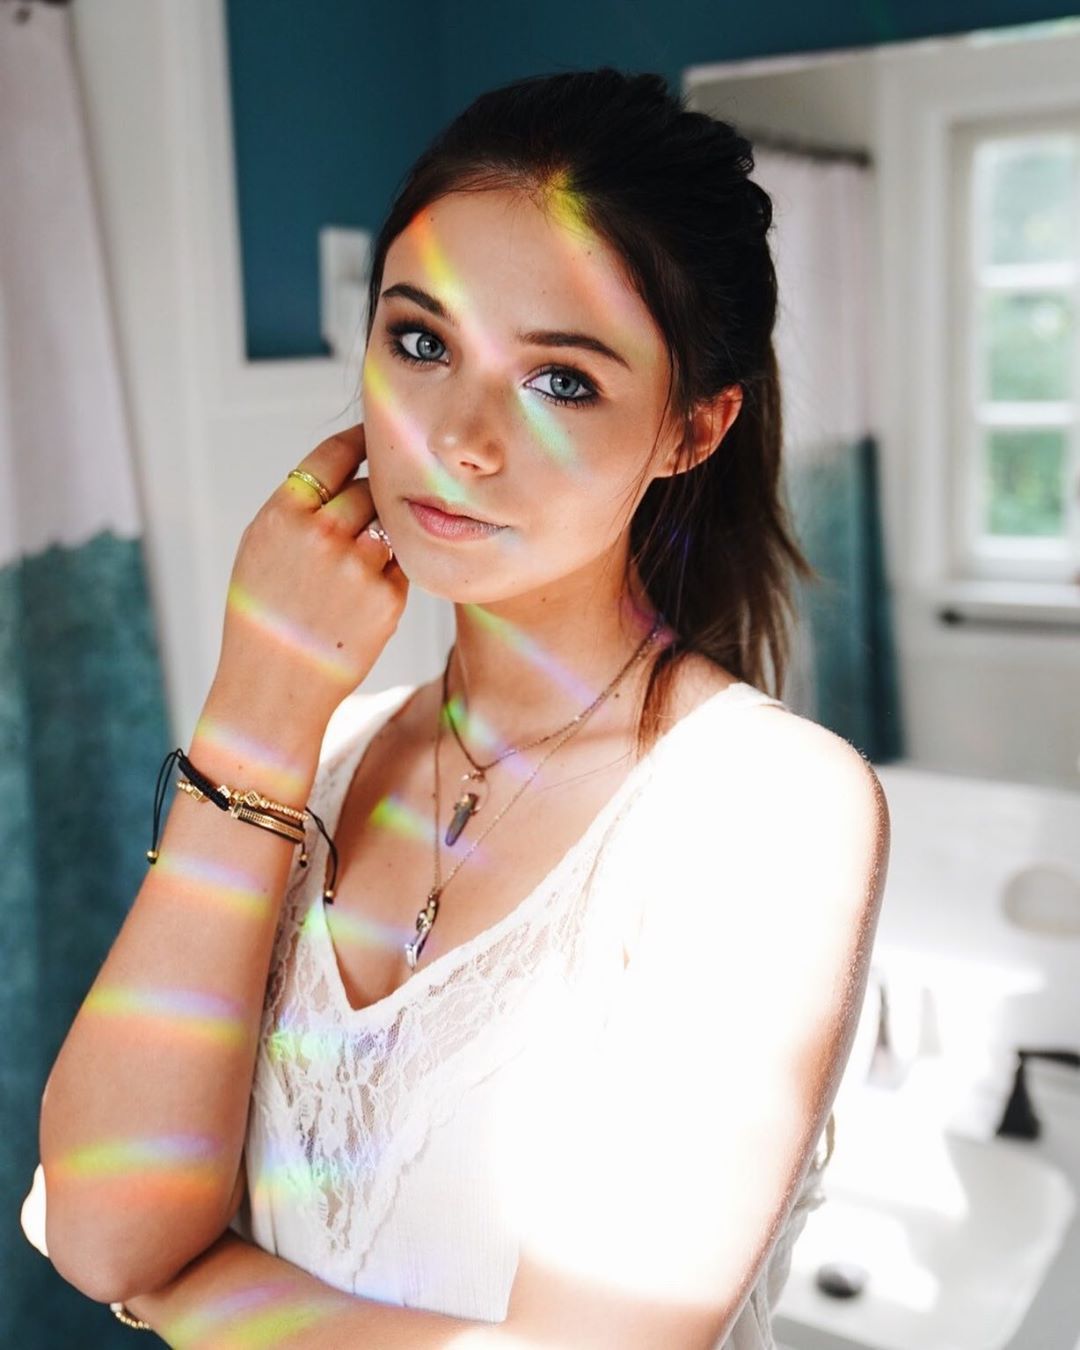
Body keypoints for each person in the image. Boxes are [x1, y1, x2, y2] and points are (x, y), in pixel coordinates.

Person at [36, 66, 889, 1348]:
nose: (458, 439)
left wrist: (189, 1293)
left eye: (562, 381)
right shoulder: (313, 749)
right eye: (422, 343)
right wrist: (256, 713)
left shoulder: (768, 809)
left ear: (693, 430)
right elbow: (103, 1231)